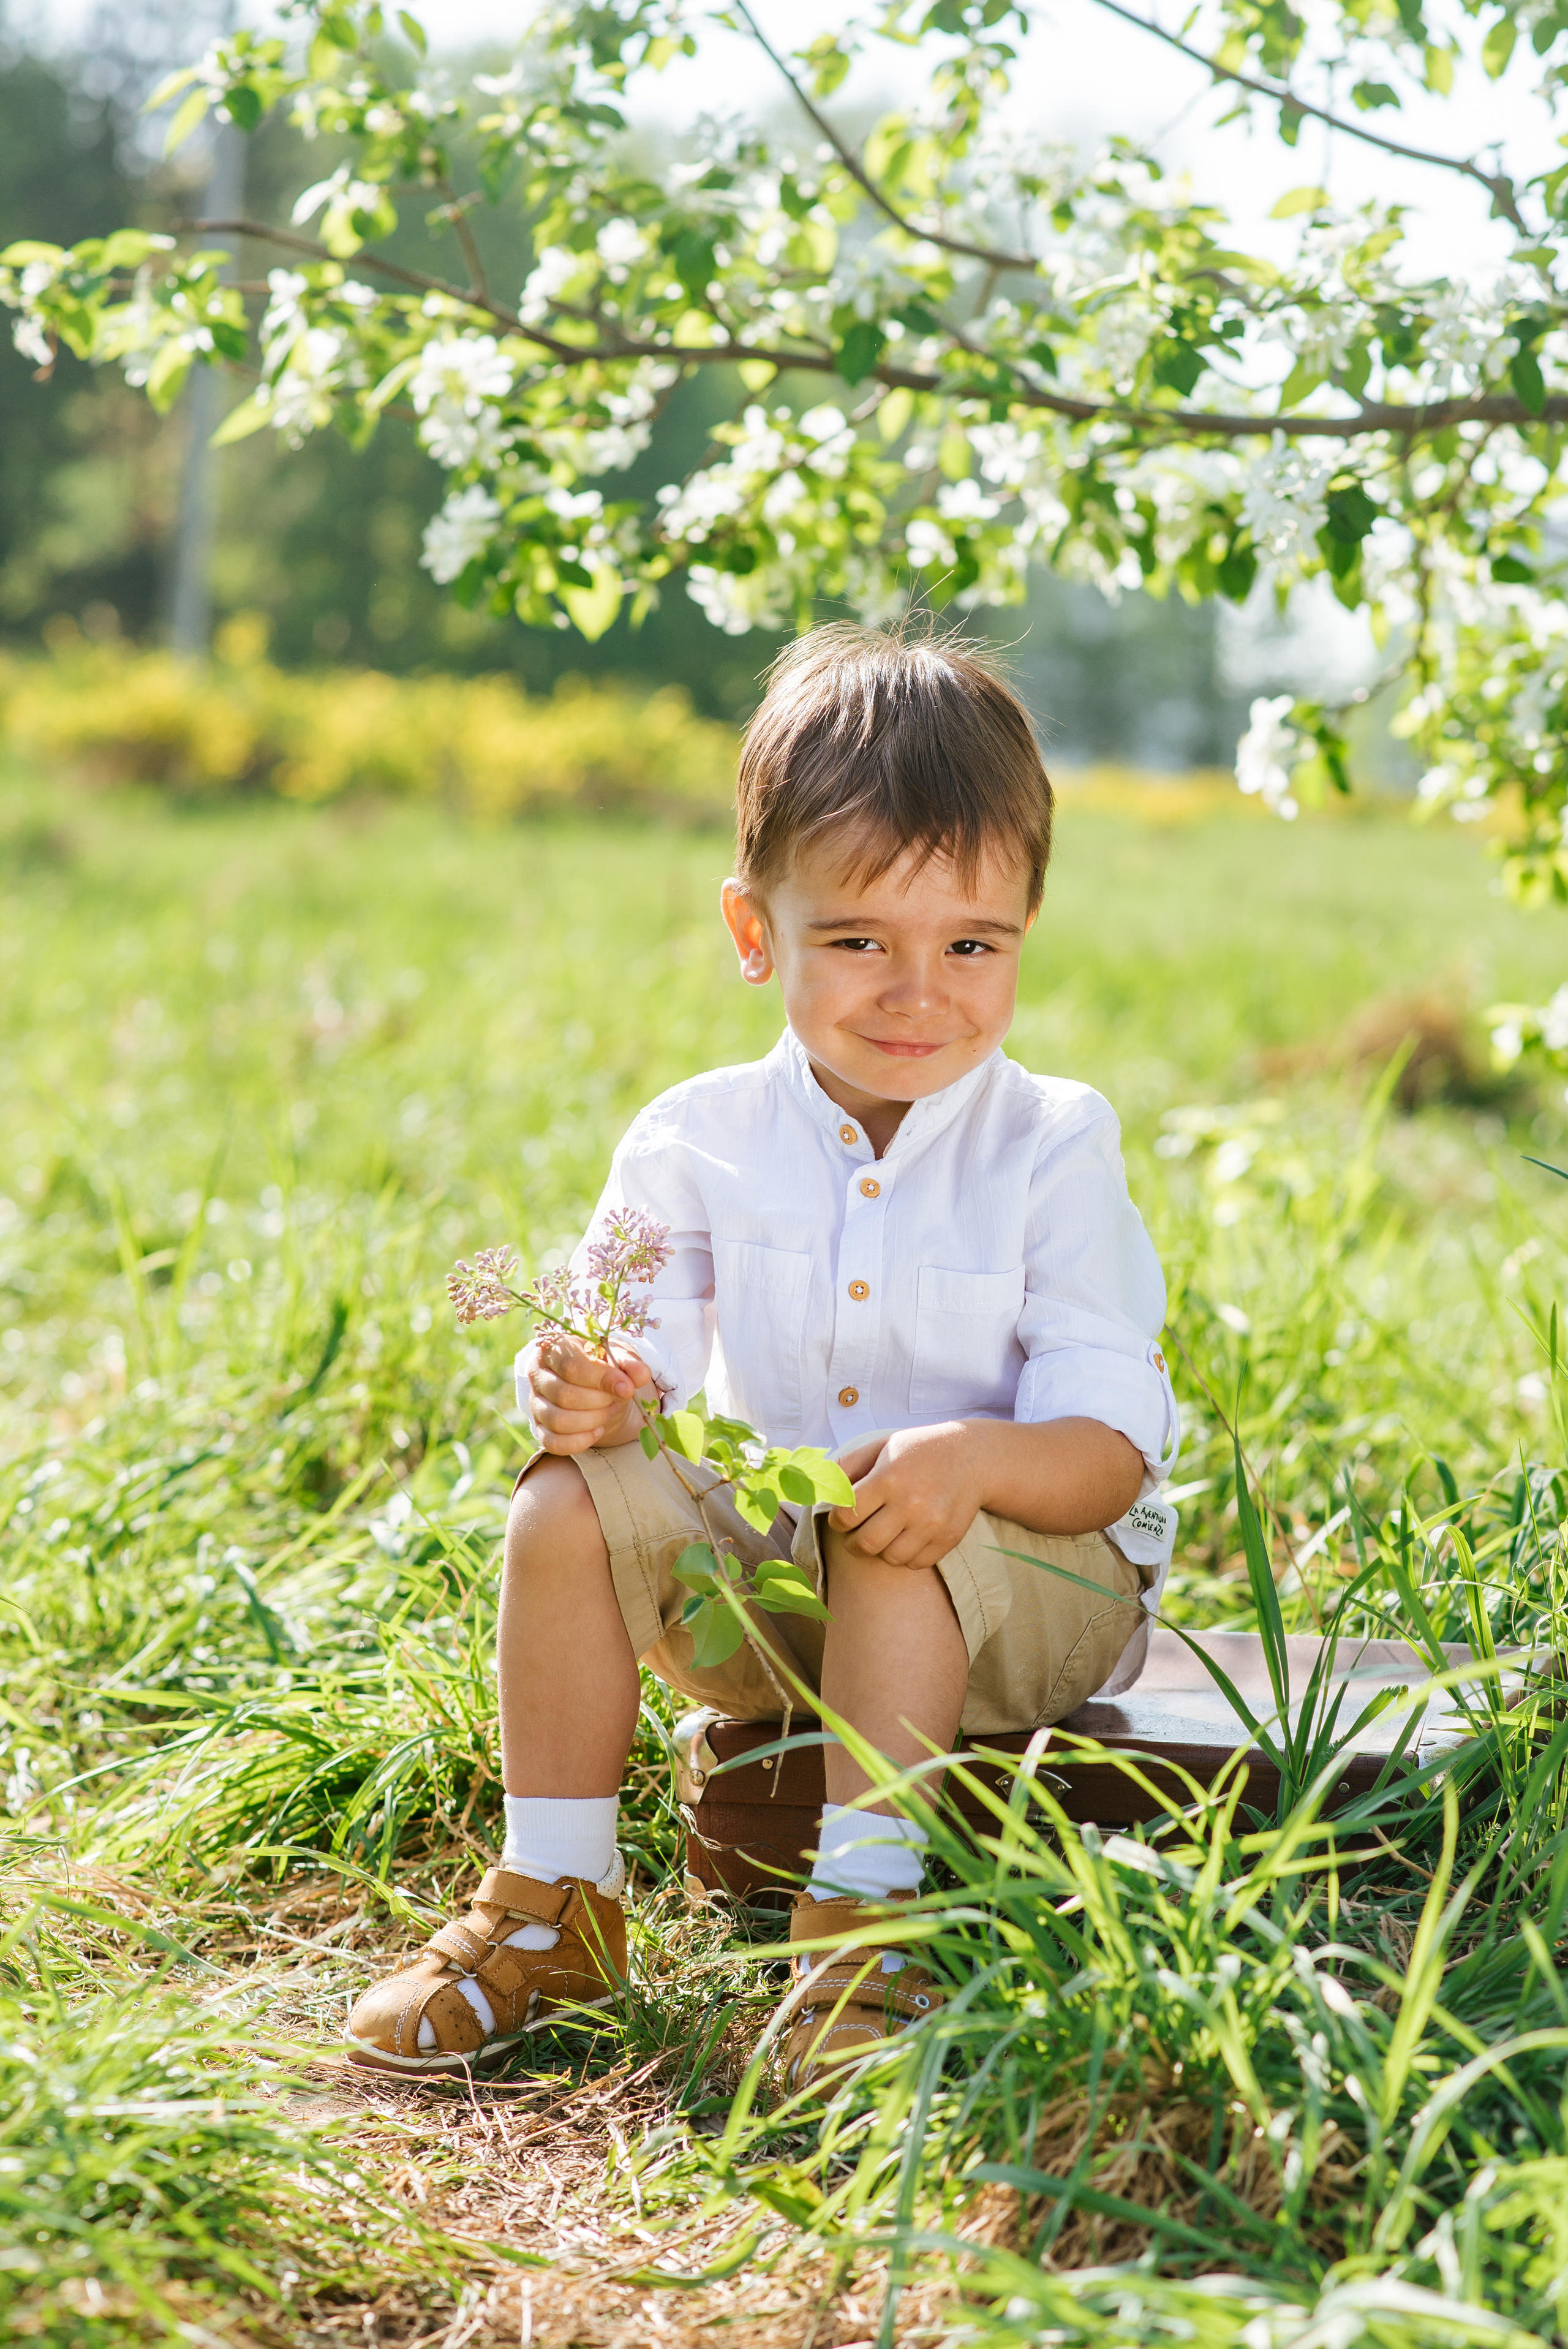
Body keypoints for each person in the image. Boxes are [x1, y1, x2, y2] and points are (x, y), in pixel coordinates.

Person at [345, 622, 1178, 2088]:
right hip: (774, 1609)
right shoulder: (695, 1137)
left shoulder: (1052, 1143)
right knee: (562, 1498)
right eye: (857, 941)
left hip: (1030, 1601)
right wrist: (582, 1396)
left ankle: (863, 1919)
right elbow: (633, 1387)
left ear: (1023, 930)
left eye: (970, 945)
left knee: (892, 1517)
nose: (917, 992)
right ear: (754, 932)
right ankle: (556, 1898)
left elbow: (1106, 1455)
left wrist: (969, 1458)